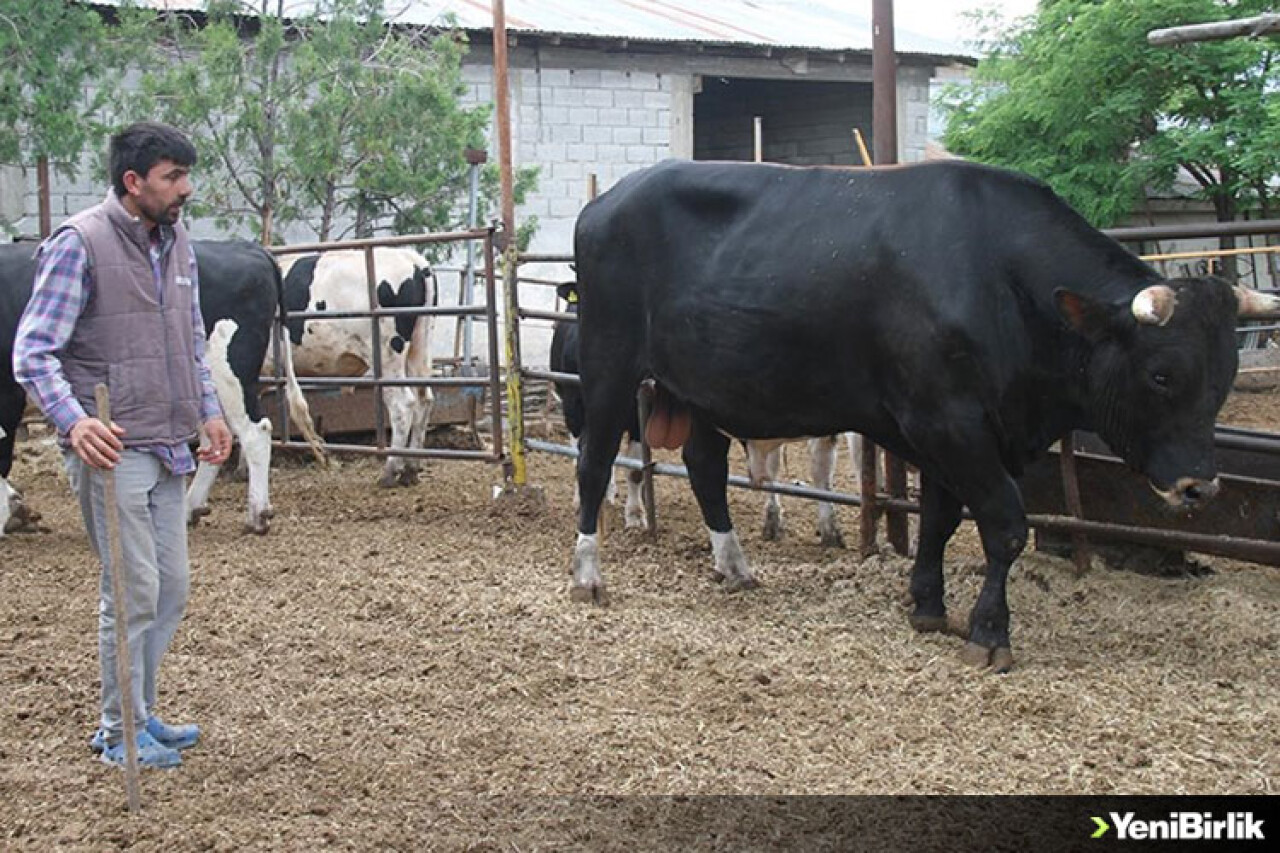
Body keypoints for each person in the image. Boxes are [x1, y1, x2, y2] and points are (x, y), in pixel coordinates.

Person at [12, 121, 233, 769]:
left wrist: (210, 410)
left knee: (170, 588)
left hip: (170, 441)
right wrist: (75, 420)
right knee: (132, 588)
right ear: (133, 182)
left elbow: (191, 339)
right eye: (173, 177)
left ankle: (142, 711)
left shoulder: (177, 241)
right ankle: (118, 730)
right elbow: (33, 351)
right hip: (112, 445)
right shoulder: (79, 244)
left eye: (186, 175)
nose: (185, 189)